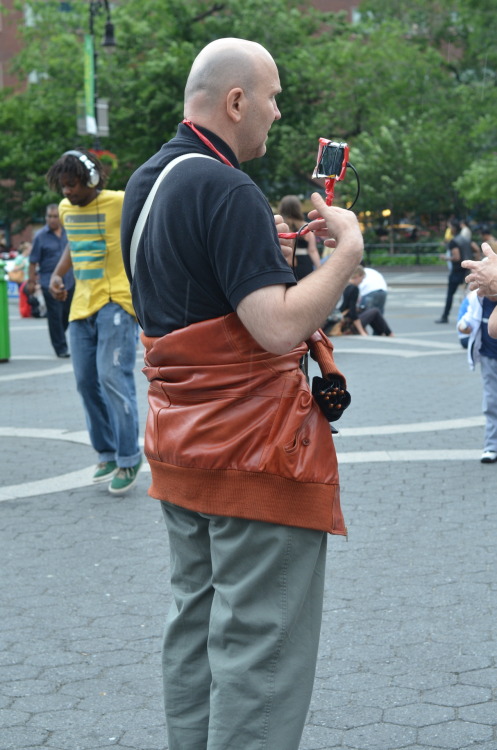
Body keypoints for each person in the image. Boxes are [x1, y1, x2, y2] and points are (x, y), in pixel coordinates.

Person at [120, 37, 364, 750]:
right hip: (253, 451)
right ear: (235, 101)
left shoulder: (150, 178)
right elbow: (274, 325)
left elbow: (189, 298)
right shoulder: (227, 189)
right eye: (272, 96)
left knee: (195, 628)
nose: (276, 111)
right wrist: (344, 255)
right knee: (262, 649)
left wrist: (266, 250)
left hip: (180, 447)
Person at [46, 149, 142, 494]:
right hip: (81, 306)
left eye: (73, 185)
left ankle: (130, 457)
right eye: (63, 186)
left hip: (117, 302)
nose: (67, 192)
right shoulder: (66, 209)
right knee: (87, 382)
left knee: (111, 376)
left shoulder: (120, 201)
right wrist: (58, 276)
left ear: (91, 179)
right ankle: (107, 453)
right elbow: (72, 243)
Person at [27, 204, 74, 358]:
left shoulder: (69, 233)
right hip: (49, 282)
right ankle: (60, 348)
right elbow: (33, 262)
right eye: (49, 216)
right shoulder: (40, 236)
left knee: (67, 315)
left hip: (70, 281)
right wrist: (32, 282)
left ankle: (59, 336)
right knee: (55, 315)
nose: (52, 219)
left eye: (55, 216)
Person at [458, 290, 497, 463]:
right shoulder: (477, 298)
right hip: (489, 357)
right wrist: (463, 327)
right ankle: (491, 446)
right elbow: (466, 319)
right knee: (491, 402)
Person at [435, 218, 473, 323]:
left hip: (457, 271)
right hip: (467, 270)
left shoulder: (454, 242)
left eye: (449, 226)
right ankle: (469, 316)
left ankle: (445, 316)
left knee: (450, 295)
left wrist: (445, 257)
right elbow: (476, 249)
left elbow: (456, 257)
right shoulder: (465, 239)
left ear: (452, 228)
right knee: (468, 294)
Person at [338, 266, 393, 337]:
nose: (362, 281)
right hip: (349, 325)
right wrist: (362, 331)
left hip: (343, 319)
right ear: (357, 276)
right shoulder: (354, 288)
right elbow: (352, 313)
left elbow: (345, 307)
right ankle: (389, 334)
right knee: (375, 311)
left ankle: (383, 333)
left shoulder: (346, 286)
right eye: (362, 278)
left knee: (370, 311)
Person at [276, 194, 321, 278]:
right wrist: (319, 267)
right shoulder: (306, 226)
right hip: (305, 263)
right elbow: (312, 250)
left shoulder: (281, 226)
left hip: (285, 263)